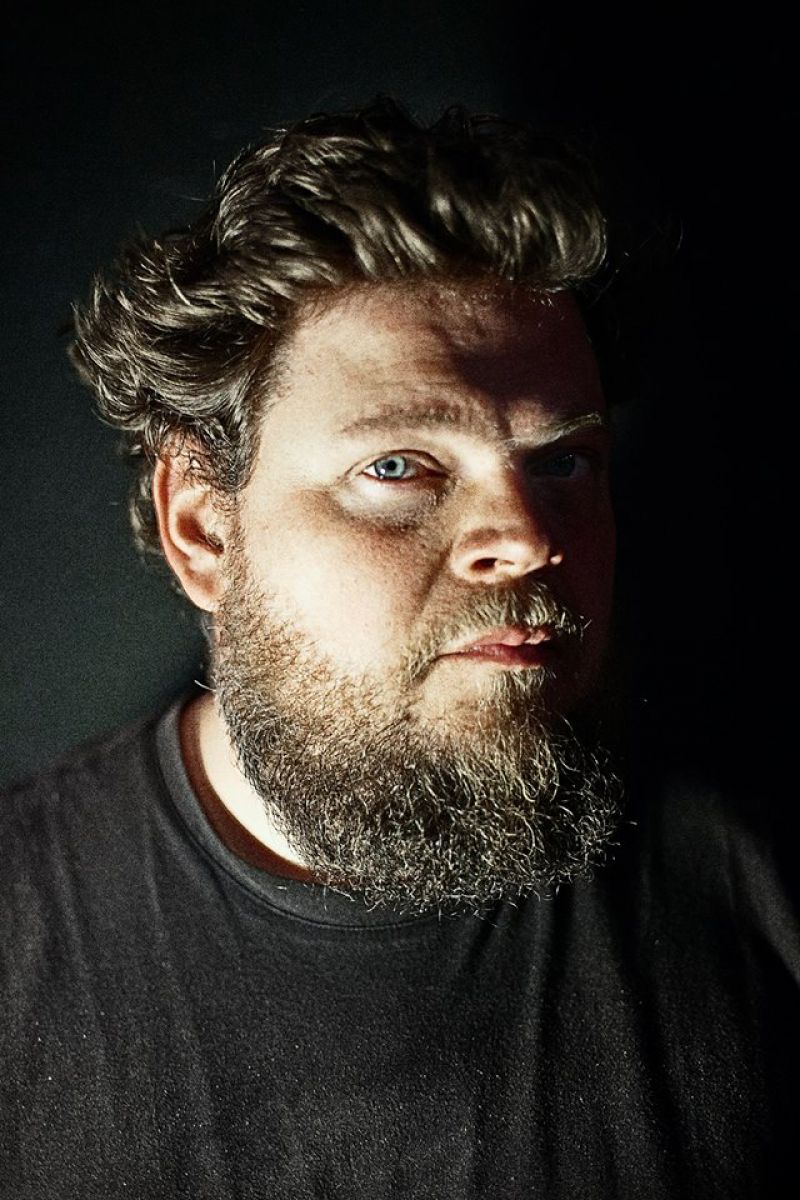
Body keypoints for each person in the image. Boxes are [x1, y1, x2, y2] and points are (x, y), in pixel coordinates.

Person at [1, 98, 796, 1198]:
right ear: (203, 528)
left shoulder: (757, 890)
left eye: (562, 462)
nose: (527, 538)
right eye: (398, 467)